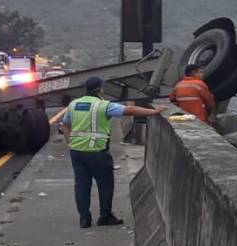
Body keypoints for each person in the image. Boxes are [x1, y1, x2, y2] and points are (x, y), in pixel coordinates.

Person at [61, 76, 163, 228]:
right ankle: (105, 216)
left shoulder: (74, 104)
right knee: (105, 184)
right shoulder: (103, 105)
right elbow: (130, 110)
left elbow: (65, 125)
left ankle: (84, 219)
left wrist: (71, 142)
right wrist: (154, 111)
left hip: (77, 152)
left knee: (81, 185)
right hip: (97, 152)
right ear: (100, 89)